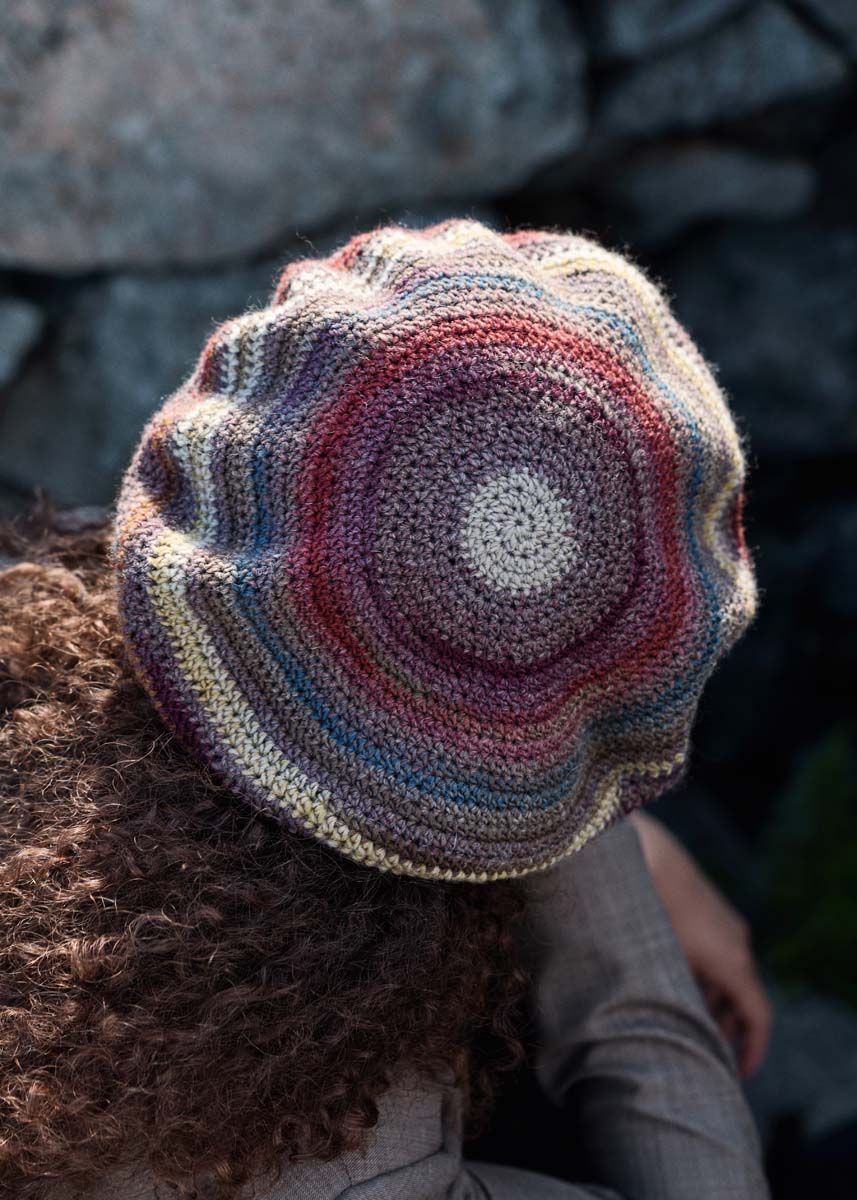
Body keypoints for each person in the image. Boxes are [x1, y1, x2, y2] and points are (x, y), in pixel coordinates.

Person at [0, 220, 770, 1198]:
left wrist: (616, 841)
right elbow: (662, 1092)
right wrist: (583, 821)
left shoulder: (37, 639)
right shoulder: (377, 1173)